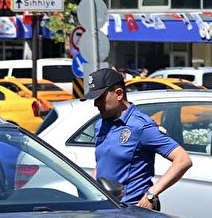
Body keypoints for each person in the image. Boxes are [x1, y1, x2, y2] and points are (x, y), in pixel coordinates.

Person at [82, 67, 192, 210]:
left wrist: (151, 195)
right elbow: (102, 162)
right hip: (105, 210)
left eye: (100, 98)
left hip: (131, 213)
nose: (96, 104)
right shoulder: (101, 124)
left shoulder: (141, 126)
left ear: (119, 94)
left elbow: (183, 160)